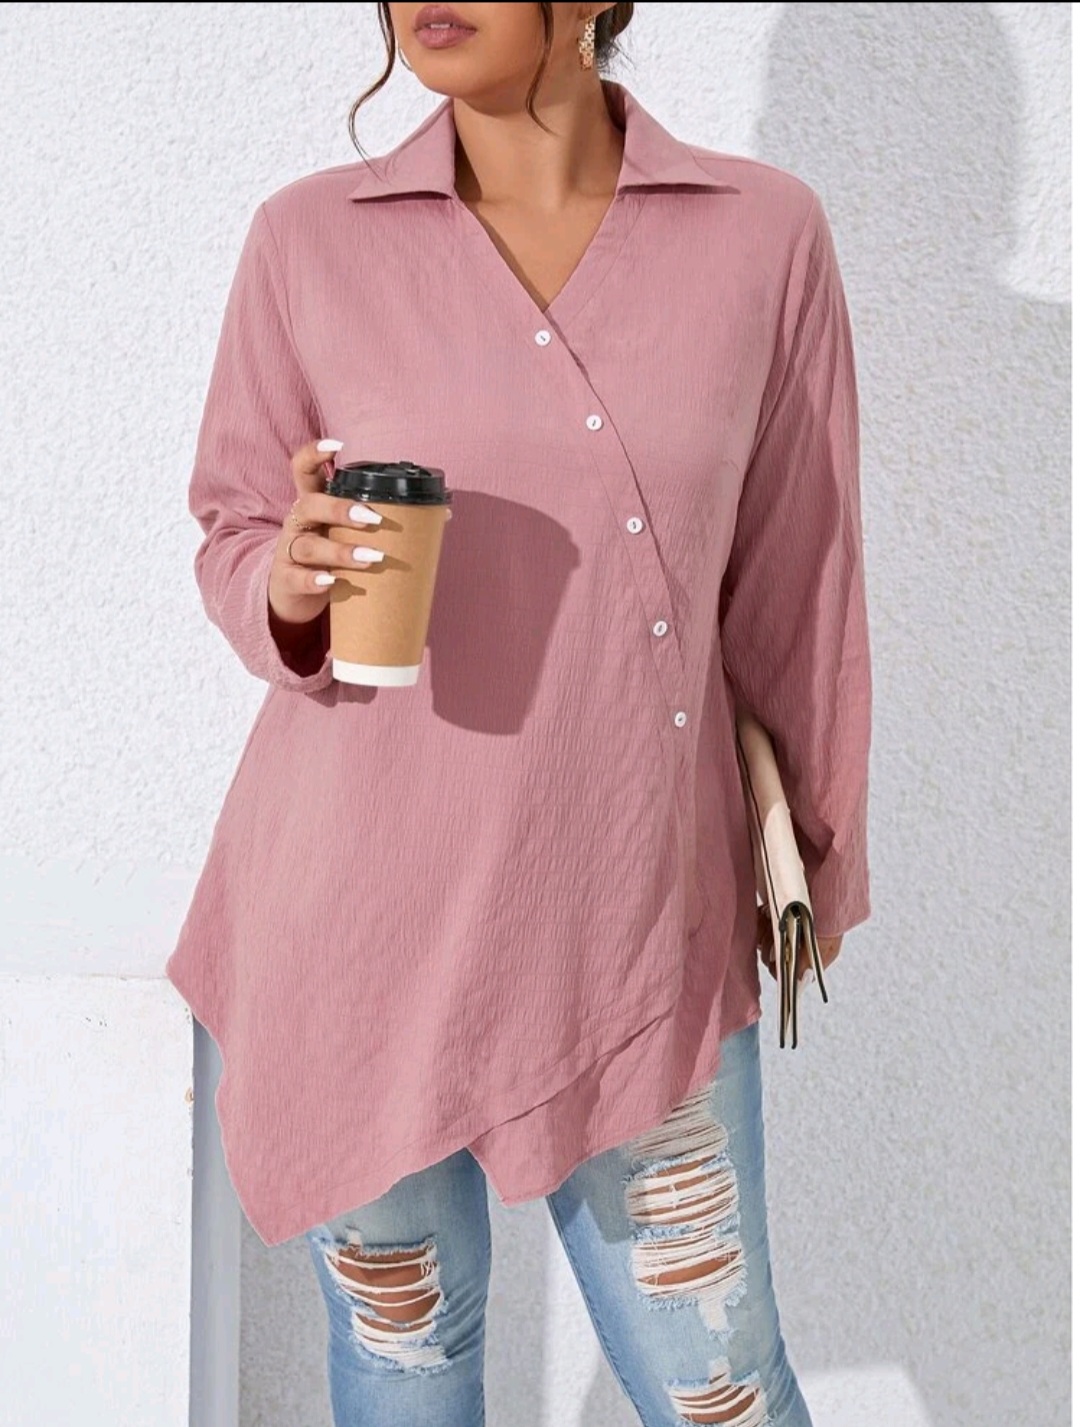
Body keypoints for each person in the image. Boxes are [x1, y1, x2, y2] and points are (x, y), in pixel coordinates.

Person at [165, 3, 873, 1423]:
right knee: (405, 1362)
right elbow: (235, 523)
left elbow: (802, 581)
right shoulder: (309, 240)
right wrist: (286, 579)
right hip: (356, 926)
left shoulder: (763, 237)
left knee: (720, 1387)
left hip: (636, 922)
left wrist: (815, 856)